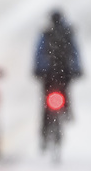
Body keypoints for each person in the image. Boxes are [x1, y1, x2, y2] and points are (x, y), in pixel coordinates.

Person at [32, 10, 82, 145]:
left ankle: (44, 133)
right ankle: (67, 112)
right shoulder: (68, 33)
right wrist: (77, 69)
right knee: (65, 92)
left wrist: (38, 70)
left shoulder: (46, 33)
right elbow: (75, 52)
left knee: (45, 104)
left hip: (47, 74)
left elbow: (38, 52)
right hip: (64, 72)